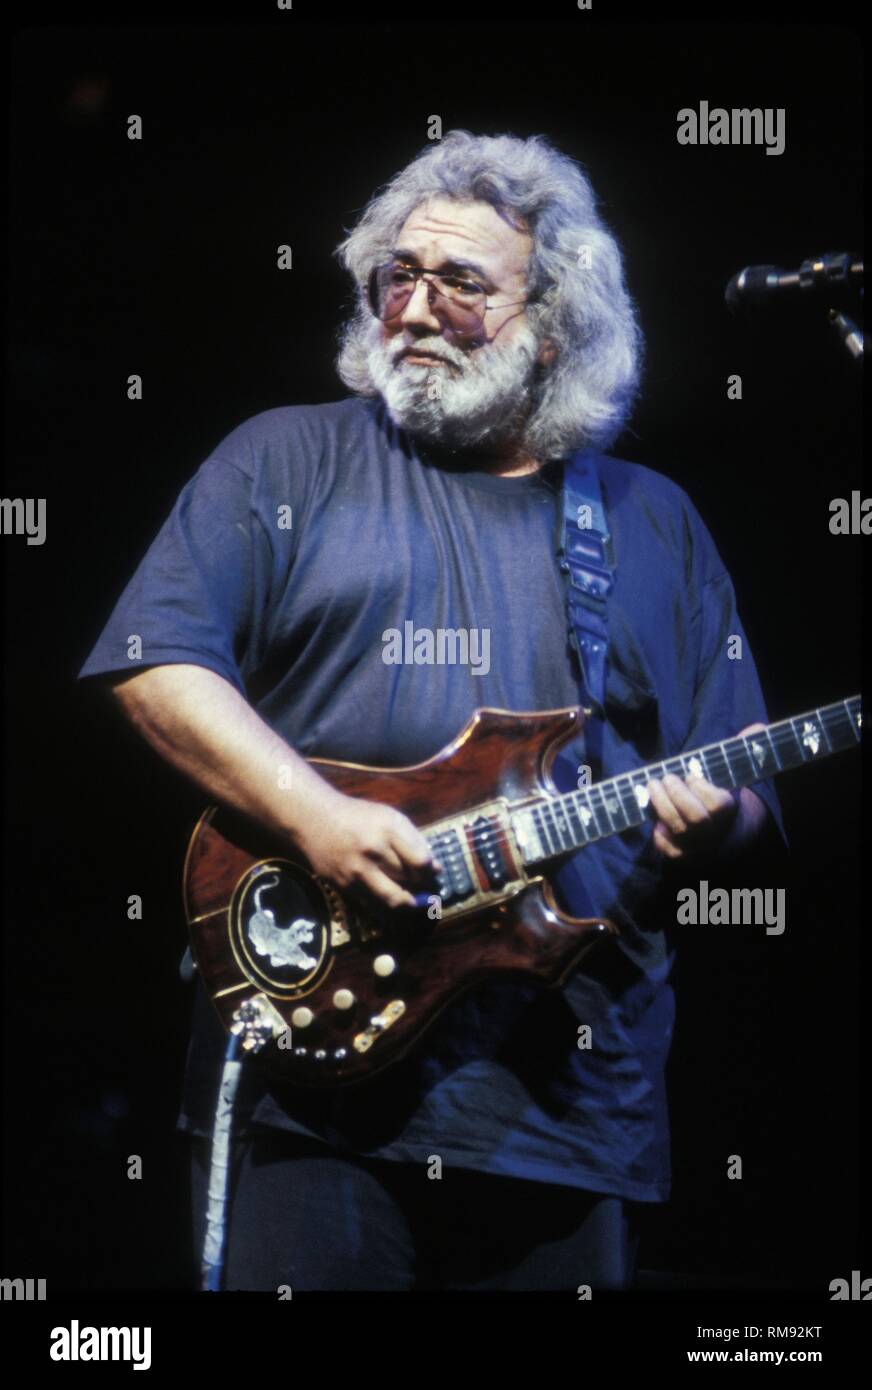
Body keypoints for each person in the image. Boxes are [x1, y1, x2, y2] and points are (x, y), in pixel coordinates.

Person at [78, 128, 783, 1293]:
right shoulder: (284, 460)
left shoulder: (650, 519)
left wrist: (720, 826)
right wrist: (313, 818)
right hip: (311, 1082)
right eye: (394, 275)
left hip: (566, 1103)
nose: (410, 306)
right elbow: (153, 666)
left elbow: (745, 786)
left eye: (458, 283)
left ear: (551, 326)